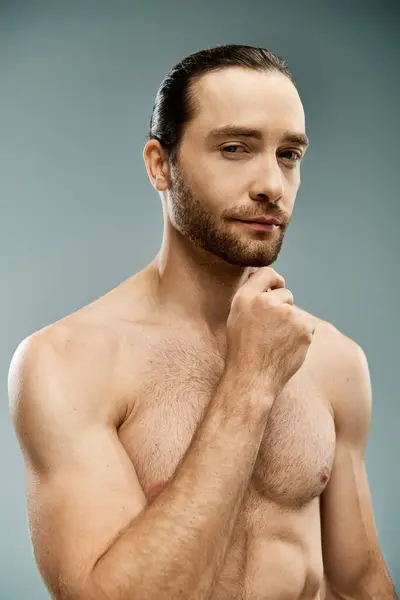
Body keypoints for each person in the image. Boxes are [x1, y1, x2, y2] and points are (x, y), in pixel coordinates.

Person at [8, 44, 397, 600]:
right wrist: (250, 380)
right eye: (235, 148)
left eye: (289, 154)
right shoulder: (67, 363)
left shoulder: (335, 360)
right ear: (160, 165)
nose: (273, 185)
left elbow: (359, 583)